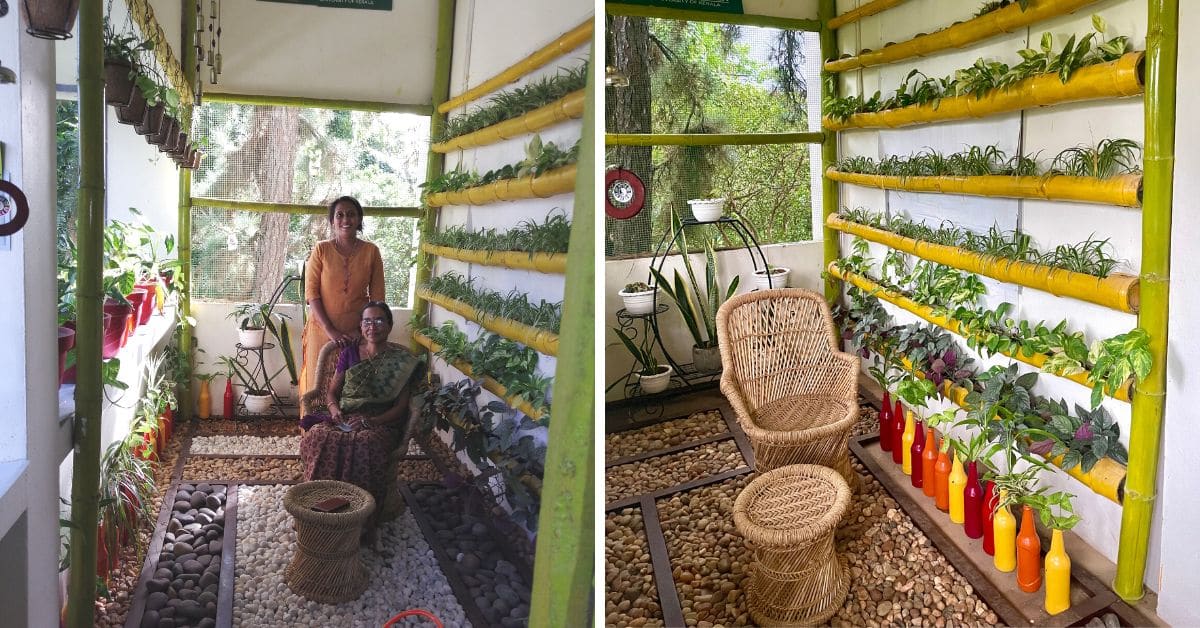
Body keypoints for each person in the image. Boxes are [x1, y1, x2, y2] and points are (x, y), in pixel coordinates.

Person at [300, 302, 424, 532]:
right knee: (317, 437)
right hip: (345, 415)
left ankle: (359, 520)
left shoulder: (401, 362)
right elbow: (332, 392)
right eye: (367, 321)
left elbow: (400, 407)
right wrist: (334, 409)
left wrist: (371, 422)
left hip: (381, 420)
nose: (372, 326)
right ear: (361, 325)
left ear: (389, 325)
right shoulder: (349, 353)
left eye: (379, 321)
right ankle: (316, 509)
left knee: (366, 444)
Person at [299, 196, 386, 414]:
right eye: (340, 215)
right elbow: (312, 294)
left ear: (359, 219)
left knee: (353, 386)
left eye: (351, 214)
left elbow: (378, 299)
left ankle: (350, 434)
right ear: (332, 221)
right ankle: (313, 432)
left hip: (358, 333)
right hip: (322, 329)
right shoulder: (321, 250)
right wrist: (331, 331)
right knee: (317, 384)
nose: (345, 219)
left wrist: (362, 331)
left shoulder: (371, 252)